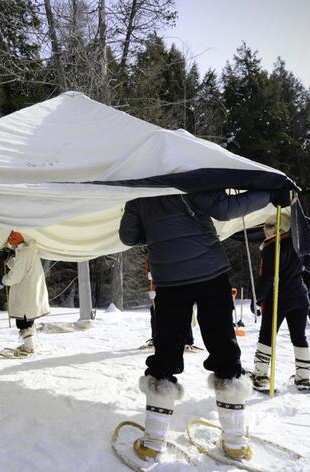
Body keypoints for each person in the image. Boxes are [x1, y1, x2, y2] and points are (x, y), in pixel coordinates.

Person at [119, 188, 290, 462]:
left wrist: (157, 235)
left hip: (169, 281)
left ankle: (152, 444)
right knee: (224, 350)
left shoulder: (140, 191)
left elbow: (127, 236)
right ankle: (235, 443)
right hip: (211, 275)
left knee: (165, 355)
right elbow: (225, 208)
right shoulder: (191, 176)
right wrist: (270, 194)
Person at [251, 211, 310, 392]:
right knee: (299, 337)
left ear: (281, 227)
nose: (265, 230)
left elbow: (267, 277)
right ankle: (303, 378)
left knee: (267, 336)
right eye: (265, 226)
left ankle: (260, 376)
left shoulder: (273, 246)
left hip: (279, 298)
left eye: (270, 226)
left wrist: (258, 297)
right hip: (300, 297)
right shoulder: (298, 243)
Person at [0, 231, 50, 357]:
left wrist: (5, 279)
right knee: (28, 320)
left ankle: (29, 348)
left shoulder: (24, 253)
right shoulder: (29, 251)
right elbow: (20, 267)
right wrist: (9, 260)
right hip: (31, 292)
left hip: (26, 293)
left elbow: (15, 275)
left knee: (23, 322)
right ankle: (31, 344)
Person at [143, 256, 201, 352]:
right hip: (160, 286)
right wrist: (150, 273)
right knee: (156, 311)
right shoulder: (154, 251)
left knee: (183, 310)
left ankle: (187, 340)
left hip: (179, 284)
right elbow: (148, 265)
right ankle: (156, 338)